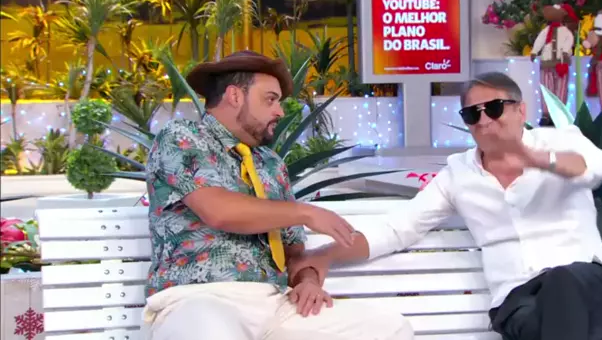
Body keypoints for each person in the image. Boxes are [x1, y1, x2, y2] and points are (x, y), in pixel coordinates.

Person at [289, 71, 602, 340]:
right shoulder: (458, 174)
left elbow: (594, 169)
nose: (484, 120)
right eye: (472, 114)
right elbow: (397, 229)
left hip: (590, 288)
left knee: (562, 284)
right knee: (544, 319)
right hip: (519, 303)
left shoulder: (561, 140)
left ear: (520, 110)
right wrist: (325, 255)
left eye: (494, 108)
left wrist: (537, 159)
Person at [142, 50, 413, 340]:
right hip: (198, 300)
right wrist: (305, 212)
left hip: (273, 305)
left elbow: (293, 253)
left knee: (388, 328)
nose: (280, 112)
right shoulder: (182, 137)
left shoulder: (270, 164)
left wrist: (307, 280)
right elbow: (218, 211)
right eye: (270, 99)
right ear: (235, 96)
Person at [530, 3, 578, 126]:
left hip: (561, 63)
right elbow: (540, 40)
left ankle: (560, 114)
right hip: (546, 63)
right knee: (547, 89)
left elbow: (569, 41)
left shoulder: (565, 31)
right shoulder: (546, 31)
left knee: (561, 89)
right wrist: (534, 51)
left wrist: (566, 52)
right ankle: (546, 115)